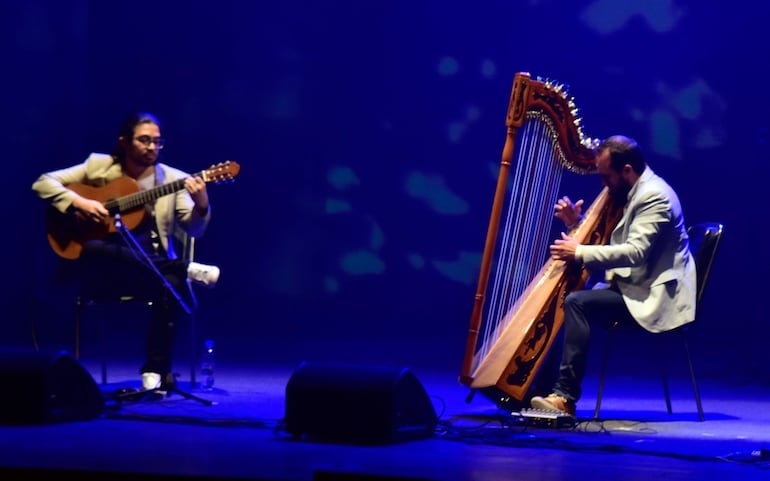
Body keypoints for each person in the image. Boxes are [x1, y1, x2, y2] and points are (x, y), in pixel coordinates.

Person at [32, 112, 221, 392]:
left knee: (173, 284)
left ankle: (155, 371)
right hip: (106, 270)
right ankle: (184, 268)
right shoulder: (98, 166)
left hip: (150, 272)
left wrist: (202, 204)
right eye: (144, 140)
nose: (152, 148)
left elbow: (193, 229)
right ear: (124, 141)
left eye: (158, 142)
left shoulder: (175, 180)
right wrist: (81, 204)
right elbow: (42, 183)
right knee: (94, 247)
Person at [530, 135, 696, 416]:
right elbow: (618, 240)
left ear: (627, 170)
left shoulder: (654, 196)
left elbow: (634, 252)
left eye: (607, 176)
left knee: (576, 302)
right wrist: (577, 224)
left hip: (652, 296)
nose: (603, 184)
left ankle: (565, 398)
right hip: (634, 285)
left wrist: (580, 252)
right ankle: (540, 388)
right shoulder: (634, 192)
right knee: (563, 297)